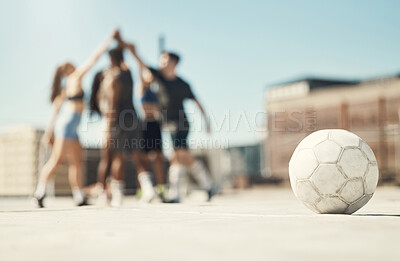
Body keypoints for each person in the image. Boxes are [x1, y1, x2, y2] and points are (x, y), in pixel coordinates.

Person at [121, 40, 215, 203]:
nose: (161, 63)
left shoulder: (183, 84)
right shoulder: (159, 78)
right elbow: (142, 62)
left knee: (178, 156)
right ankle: (207, 185)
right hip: (168, 124)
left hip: (181, 124)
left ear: (173, 63)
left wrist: (206, 121)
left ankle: (177, 194)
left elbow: (197, 102)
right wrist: (132, 51)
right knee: (180, 156)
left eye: (164, 60)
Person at [33, 30, 118, 208]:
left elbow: (55, 110)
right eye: (70, 64)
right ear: (67, 70)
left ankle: (79, 197)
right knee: (56, 161)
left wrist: (50, 131)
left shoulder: (67, 88)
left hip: (72, 125)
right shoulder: (76, 76)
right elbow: (94, 58)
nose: (74, 64)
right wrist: (109, 39)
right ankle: (39, 193)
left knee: (78, 162)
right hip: (68, 124)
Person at [98, 45, 157, 206]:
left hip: (119, 121)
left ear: (110, 60)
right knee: (138, 156)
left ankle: (118, 196)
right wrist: (120, 41)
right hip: (133, 118)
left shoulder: (113, 78)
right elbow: (127, 62)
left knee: (119, 158)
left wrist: (109, 128)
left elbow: (112, 105)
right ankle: (148, 188)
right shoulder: (128, 74)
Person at [139, 68, 166, 199]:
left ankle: (161, 188)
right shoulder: (141, 89)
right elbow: (145, 107)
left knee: (159, 157)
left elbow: (159, 109)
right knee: (144, 159)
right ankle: (143, 190)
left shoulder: (157, 91)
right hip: (145, 125)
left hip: (156, 125)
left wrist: (155, 109)